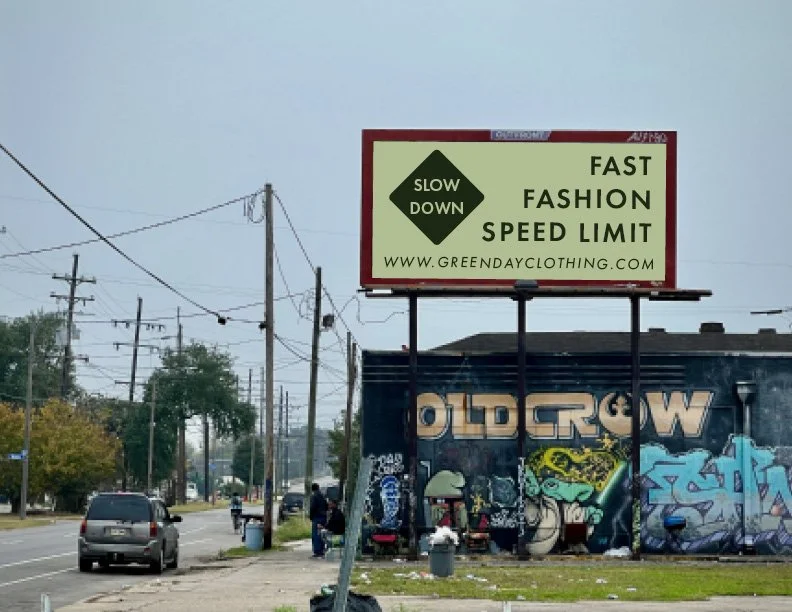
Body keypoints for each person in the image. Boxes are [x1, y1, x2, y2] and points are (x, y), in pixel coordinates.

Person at [308, 483, 328, 558]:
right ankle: (322, 550)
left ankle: (317, 551)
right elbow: (326, 506)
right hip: (323, 517)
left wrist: (311, 516)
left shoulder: (314, 496)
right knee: (322, 534)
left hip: (317, 517)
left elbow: (313, 507)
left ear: (312, 489)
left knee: (316, 534)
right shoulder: (323, 496)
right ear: (318, 488)